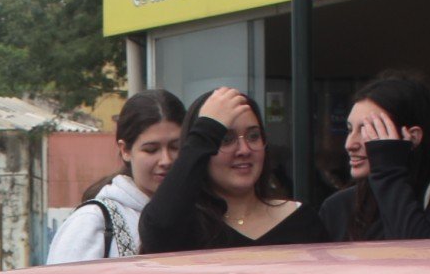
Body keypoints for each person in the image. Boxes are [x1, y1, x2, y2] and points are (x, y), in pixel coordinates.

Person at [137, 87, 325, 253]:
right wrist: (207, 129)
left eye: (253, 136)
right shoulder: (186, 227)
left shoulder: (302, 220)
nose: (244, 150)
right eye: (225, 139)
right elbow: (157, 229)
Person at [320, 72, 430, 241]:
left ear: (412, 137)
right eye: (349, 129)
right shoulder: (339, 207)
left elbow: (421, 254)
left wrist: (387, 169)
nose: (350, 144)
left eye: (367, 130)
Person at [46, 90, 187, 262]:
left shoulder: (197, 216)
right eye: (151, 150)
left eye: (175, 147)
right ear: (125, 150)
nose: (166, 160)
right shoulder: (93, 222)